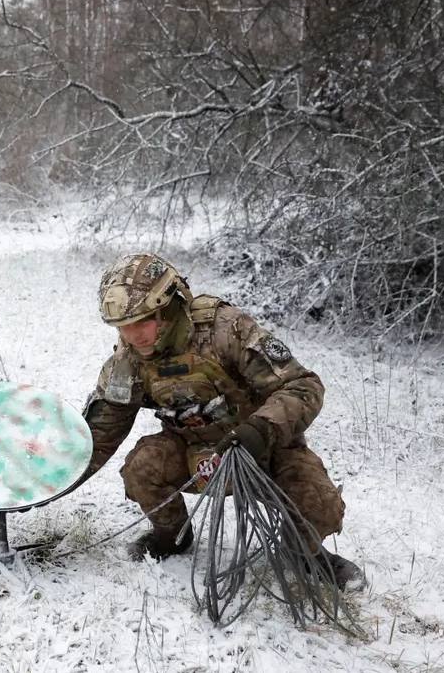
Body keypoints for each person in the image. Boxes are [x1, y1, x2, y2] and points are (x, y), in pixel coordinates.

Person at [80, 252, 366, 591]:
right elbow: (98, 435)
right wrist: (40, 486)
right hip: (195, 455)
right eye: (123, 327)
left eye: (142, 321)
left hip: (262, 447)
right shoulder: (127, 361)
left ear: (168, 307)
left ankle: (305, 554)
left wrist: (259, 431)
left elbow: (303, 386)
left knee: (319, 503)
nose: (133, 336)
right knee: (142, 467)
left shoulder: (225, 329)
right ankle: (172, 537)